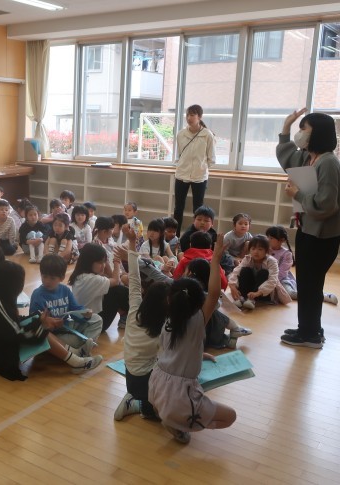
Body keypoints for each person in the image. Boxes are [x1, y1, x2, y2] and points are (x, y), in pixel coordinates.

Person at [148, 234, 236, 444]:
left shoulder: (169, 316)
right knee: (230, 416)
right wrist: (215, 260)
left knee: (171, 405)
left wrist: (198, 353)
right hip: (181, 394)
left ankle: (170, 416)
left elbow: (175, 348)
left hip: (156, 383)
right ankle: (178, 422)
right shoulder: (197, 320)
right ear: (199, 302)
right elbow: (214, 293)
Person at [277, 109, 340, 348]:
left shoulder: (329, 162)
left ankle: (310, 335)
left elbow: (326, 205)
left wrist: (297, 194)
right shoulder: (309, 157)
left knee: (311, 285)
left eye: (304, 129)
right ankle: (309, 329)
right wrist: (286, 127)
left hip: (321, 237)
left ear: (318, 134)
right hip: (308, 230)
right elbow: (287, 159)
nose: (300, 134)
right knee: (307, 284)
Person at [0, 261, 103, 381]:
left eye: (52, 278)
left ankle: (75, 353)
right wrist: (42, 325)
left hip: (8, 342)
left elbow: (14, 323)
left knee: (43, 326)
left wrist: (41, 320)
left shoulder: (1, 297)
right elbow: (16, 333)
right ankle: (76, 361)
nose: (48, 281)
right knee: (42, 331)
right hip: (0, 356)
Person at [114, 226, 163, 421]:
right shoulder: (163, 330)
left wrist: (133, 241)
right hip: (147, 381)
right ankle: (139, 405)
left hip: (131, 376)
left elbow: (134, 277)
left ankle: (134, 399)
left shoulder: (135, 308)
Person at [30, 254, 102, 349]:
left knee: (97, 319)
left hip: (67, 327)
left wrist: (85, 313)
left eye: (52, 278)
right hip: (53, 335)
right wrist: (46, 322)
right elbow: (34, 321)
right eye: (44, 276)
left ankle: (83, 345)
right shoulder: (38, 294)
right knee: (72, 340)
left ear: (61, 278)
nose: (47, 281)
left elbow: (75, 309)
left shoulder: (65, 290)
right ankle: (82, 345)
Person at [173, 104, 216, 234]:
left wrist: (201, 167)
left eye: (192, 115)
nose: (189, 118)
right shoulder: (181, 134)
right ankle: (175, 236)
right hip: (182, 174)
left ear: (199, 117)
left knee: (198, 209)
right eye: (187, 115)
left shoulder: (207, 135)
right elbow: (178, 154)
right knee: (178, 208)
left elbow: (211, 158)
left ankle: (197, 237)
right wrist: (181, 165)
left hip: (200, 176)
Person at [70, 243, 129, 332]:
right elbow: (116, 281)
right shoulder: (91, 279)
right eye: (99, 262)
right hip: (93, 324)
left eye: (104, 261)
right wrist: (117, 261)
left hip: (85, 319)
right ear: (88, 262)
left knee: (113, 288)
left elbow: (111, 277)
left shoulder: (81, 276)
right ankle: (127, 316)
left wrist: (106, 259)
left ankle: (124, 314)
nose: (103, 265)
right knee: (119, 290)